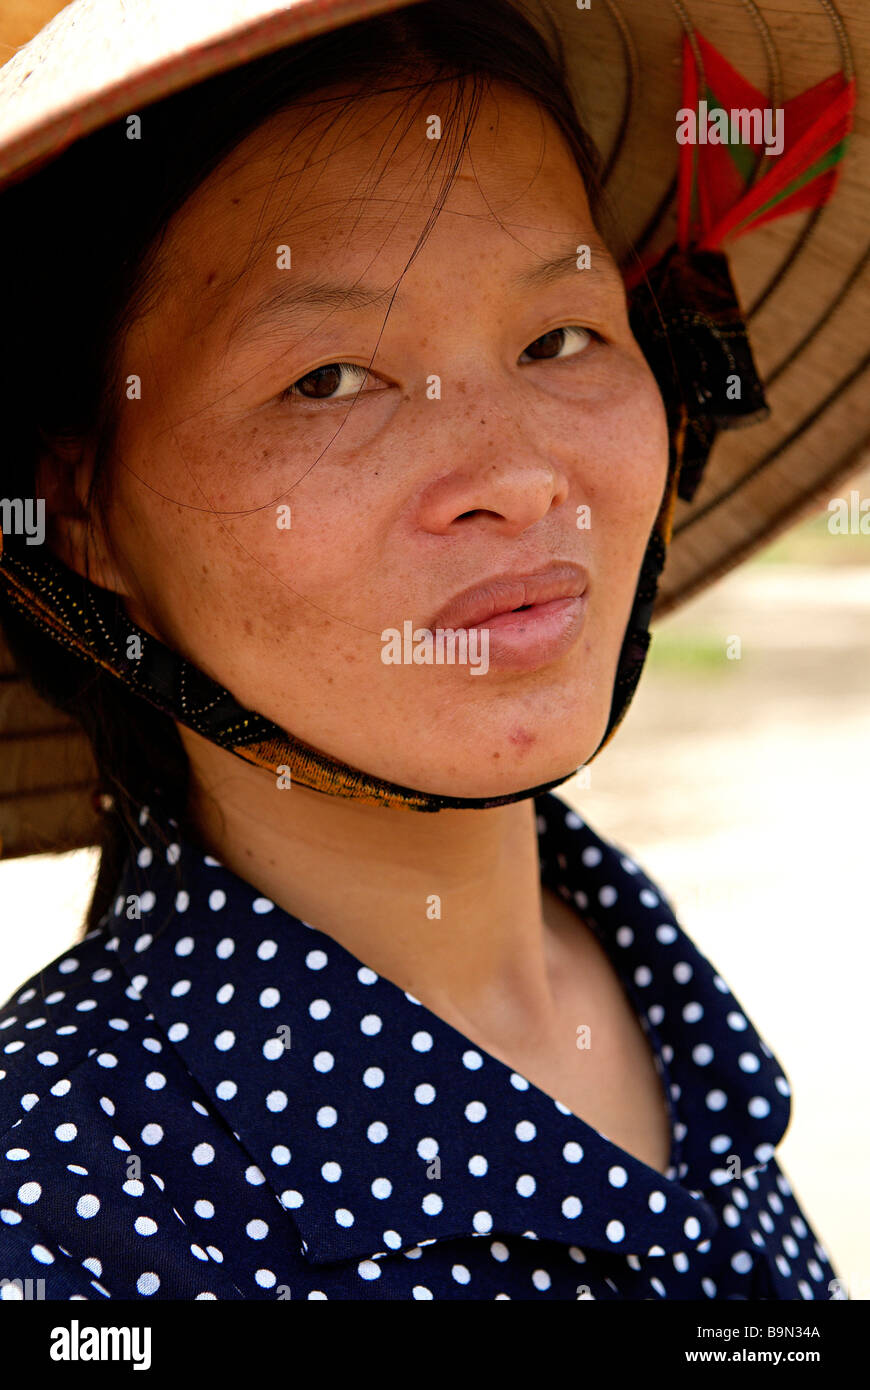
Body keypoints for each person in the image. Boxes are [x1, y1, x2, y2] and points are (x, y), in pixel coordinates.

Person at [0, 0, 859, 1300]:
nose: (517, 478)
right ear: (81, 513)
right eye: (332, 378)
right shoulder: (73, 1203)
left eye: (559, 338)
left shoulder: (637, 976)